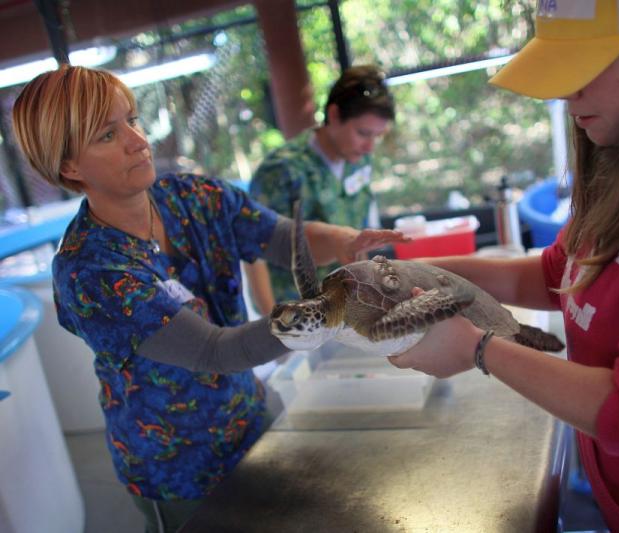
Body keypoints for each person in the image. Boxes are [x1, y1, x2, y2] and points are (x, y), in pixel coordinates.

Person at [389, 1, 619, 531]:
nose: (564, 92)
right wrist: (417, 275)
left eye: (584, 65)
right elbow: (558, 274)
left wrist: (478, 348)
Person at [11, 65, 406, 533]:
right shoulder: (91, 271)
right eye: (107, 135)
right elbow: (213, 351)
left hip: (247, 417)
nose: (138, 141)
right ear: (69, 166)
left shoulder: (191, 196)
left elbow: (279, 238)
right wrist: (330, 311)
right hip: (178, 466)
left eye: (133, 120)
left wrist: (343, 242)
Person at [246, 64, 396, 314]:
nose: (370, 146)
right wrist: (273, 326)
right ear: (334, 115)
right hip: (296, 310)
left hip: (346, 302)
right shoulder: (283, 170)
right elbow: (252, 250)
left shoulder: (358, 158)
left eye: (377, 136)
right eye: (363, 133)